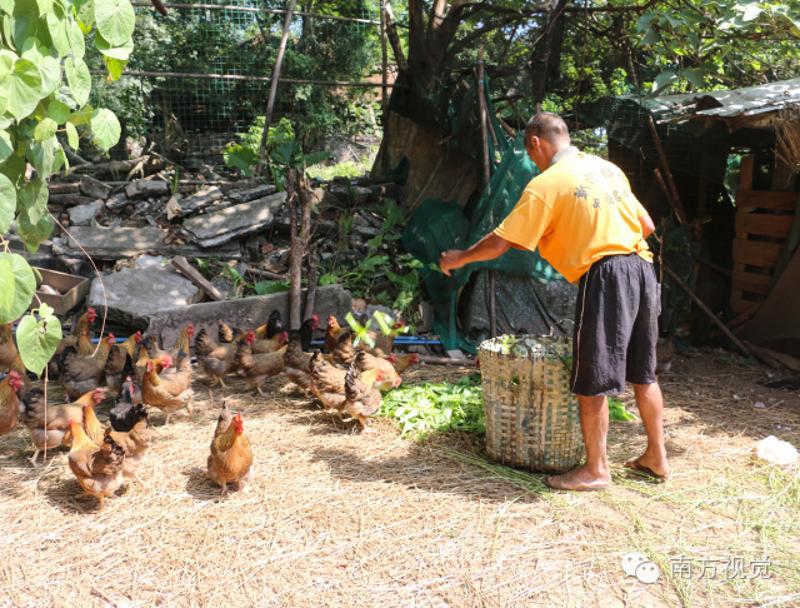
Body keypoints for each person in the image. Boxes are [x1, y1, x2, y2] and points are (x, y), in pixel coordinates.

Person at [439, 112, 669, 491]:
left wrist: (459, 257)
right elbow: (646, 226)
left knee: (591, 378)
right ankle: (656, 458)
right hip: (642, 269)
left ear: (535, 143)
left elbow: (500, 243)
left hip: (607, 275)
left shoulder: (547, 184)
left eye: (531, 155)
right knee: (643, 373)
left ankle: (596, 470)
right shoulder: (606, 168)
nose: (532, 162)